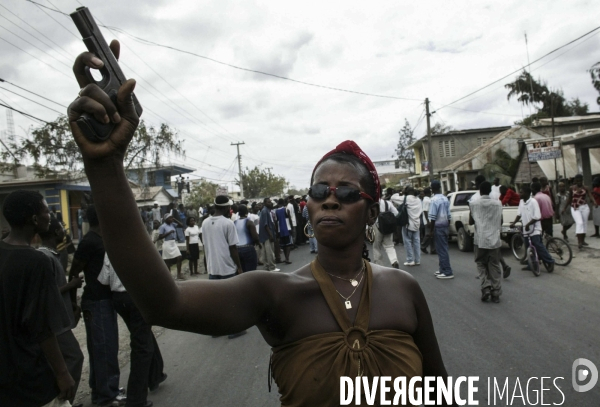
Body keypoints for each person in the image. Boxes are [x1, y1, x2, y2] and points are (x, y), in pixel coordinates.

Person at [68, 46, 451, 404]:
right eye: (320, 190)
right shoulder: (276, 291)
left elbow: (439, 391)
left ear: (371, 212)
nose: (331, 198)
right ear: (309, 206)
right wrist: (104, 167)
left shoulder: (404, 288)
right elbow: (164, 304)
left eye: (348, 192)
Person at [0, 190, 76, 407]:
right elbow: (42, 326)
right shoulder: (36, 262)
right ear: (34, 219)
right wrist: (62, 373)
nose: (50, 216)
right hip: (31, 376)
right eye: (46, 211)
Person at [70, 205, 125, 406]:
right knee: (103, 349)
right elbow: (74, 271)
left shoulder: (101, 239)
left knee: (106, 348)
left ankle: (104, 388)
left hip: (104, 300)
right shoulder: (89, 242)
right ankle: (105, 395)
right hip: (95, 302)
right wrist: (73, 304)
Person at [98, 254, 167, 407]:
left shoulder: (111, 249)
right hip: (137, 297)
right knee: (142, 347)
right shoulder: (139, 244)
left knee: (143, 337)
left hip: (119, 299)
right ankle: (136, 399)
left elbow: (103, 279)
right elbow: (154, 275)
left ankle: (155, 375)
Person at [38, 217, 85, 407]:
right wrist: (71, 285)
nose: (65, 232)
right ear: (56, 232)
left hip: (59, 321)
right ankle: (63, 401)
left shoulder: (53, 254)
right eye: (62, 229)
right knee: (75, 358)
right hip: (54, 324)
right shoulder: (46, 257)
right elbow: (46, 294)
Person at [469, 182, 503, 303]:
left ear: (480, 190)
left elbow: (471, 221)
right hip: (494, 239)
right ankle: (496, 292)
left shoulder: (473, 204)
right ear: (490, 191)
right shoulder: (498, 204)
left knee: (480, 263)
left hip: (480, 239)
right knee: (494, 265)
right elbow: (501, 221)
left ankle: (486, 287)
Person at [510, 185, 555, 273]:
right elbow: (519, 214)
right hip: (526, 228)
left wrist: (528, 224)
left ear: (527, 193)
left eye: (521, 192)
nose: (519, 194)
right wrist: (514, 223)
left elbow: (537, 216)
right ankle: (531, 265)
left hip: (535, 228)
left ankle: (550, 261)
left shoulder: (533, 202)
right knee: (527, 246)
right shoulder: (521, 202)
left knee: (537, 245)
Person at [429, 180, 454, 279]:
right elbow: (448, 215)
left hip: (438, 226)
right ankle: (442, 269)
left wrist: (431, 230)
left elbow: (433, 217)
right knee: (442, 249)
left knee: (442, 249)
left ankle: (447, 271)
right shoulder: (445, 198)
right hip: (445, 225)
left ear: (432, 189)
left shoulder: (434, 200)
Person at [563, 174, 597, 249]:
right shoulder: (571, 188)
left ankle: (583, 240)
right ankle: (579, 242)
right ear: (575, 181)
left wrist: (594, 202)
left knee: (584, 224)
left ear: (582, 180)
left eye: (580, 180)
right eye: (577, 181)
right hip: (575, 208)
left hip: (584, 207)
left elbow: (590, 195)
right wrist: (565, 208)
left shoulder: (586, 188)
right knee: (579, 223)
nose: (579, 182)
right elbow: (569, 198)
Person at [373, 193, 399, 268]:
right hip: (387, 226)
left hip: (376, 226)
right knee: (389, 245)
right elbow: (396, 213)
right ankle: (394, 260)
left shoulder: (372, 204)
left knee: (376, 247)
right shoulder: (388, 203)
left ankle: (379, 266)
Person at [158, 213, 185, 280]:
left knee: (179, 257)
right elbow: (160, 236)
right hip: (167, 243)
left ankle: (179, 274)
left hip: (173, 243)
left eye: (172, 218)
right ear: (166, 219)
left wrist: (175, 219)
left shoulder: (173, 224)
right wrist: (169, 232)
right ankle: (168, 276)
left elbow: (181, 225)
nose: (171, 219)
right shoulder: (163, 226)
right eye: (170, 218)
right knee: (167, 260)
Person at [234, 205, 260, 272]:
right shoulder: (249, 222)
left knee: (242, 270)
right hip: (248, 249)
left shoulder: (234, 222)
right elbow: (255, 237)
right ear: (246, 211)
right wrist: (258, 243)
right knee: (251, 271)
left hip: (237, 249)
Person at [401, 186, 422, 266]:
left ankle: (410, 260)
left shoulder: (406, 198)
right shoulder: (419, 200)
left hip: (408, 223)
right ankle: (417, 260)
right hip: (417, 223)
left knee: (408, 242)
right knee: (417, 242)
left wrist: (402, 192)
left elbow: (393, 197)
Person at [259, 198, 279, 272]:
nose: (270, 203)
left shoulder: (267, 210)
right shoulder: (265, 211)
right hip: (267, 235)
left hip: (266, 234)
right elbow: (266, 225)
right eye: (268, 202)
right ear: (264, 203)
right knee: (269, 252)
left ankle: (267, 267)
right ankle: (272, 267)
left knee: (266, 252)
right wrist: (270, 235)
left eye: (270, 202)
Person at [275, 199, 293, 264]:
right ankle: (287, 258)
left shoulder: (276, 211)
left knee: (284, 245)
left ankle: (286, 257)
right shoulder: (286, 210)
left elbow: (276, 222)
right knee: (288, 244)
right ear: (283, 203)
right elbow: (290, 220)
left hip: (280, 230)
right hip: (287, 229)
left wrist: (277, 231)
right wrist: (292, 228)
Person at [420, 187, 435, 254]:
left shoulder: (428, 199)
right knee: (428, 234)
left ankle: (433, 249)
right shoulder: (426, 200)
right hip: (428, 220)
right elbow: (425, 211)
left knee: (432, 235)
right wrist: (428, 221)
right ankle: (423, 246)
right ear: (428, 193)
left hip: (430, 219)